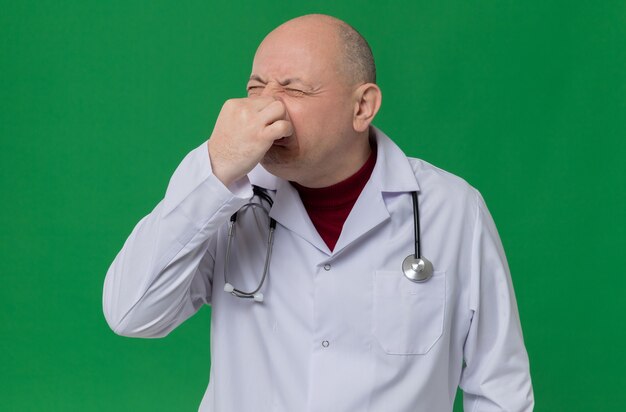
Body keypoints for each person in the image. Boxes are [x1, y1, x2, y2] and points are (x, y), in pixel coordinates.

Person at [103, 14, 534, 412]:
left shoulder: (452, 210)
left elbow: (500, 386)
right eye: (256, 89)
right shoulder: (228, 202)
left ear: (362, 107)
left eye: (293, 89)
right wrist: (214, 171)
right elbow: (132, 314)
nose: (267, 109)